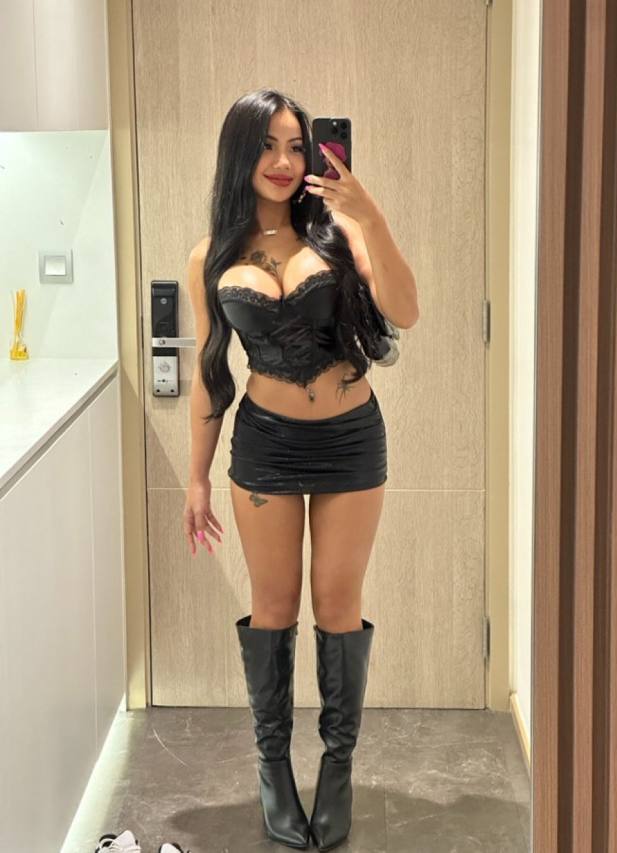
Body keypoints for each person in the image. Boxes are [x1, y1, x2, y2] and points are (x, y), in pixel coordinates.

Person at [183, 88, 419, 851]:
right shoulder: (211, 256)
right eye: (267, 145)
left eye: (296, 145)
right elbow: (210, 374)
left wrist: (369, 214)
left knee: (338, 603)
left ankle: (338, 768)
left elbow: (406, 310)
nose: (284, 161)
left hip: (350, 439)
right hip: (265, 444)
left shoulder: (340, 233)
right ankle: (273, 768)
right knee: (273, 605)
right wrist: (196, 476)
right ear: (240, 153)